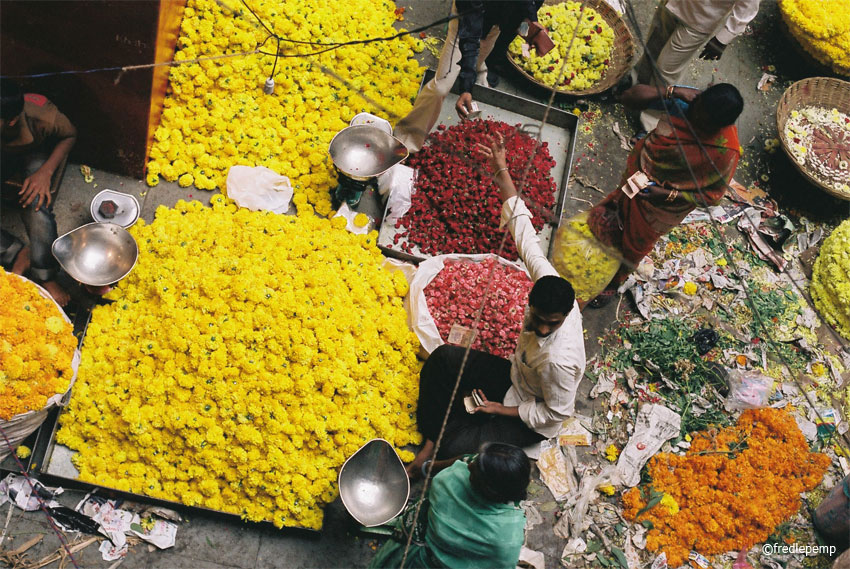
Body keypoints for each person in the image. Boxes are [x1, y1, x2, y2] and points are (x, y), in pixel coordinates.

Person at [406, 132, 585, 474]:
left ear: (565, 316)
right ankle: (430, 442)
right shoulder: (547, 281)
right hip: (515, 376)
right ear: (529, 299)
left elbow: (557, 413)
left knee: (463, 445)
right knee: (443, 360)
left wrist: (500, 411)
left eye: (554, 323)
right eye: (540, 318)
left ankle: (432, 460)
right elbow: (525, 236)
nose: (545, 328)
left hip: (529, 414)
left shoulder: (560, 361)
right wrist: (501, 170)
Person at [586, 82, 743, 308]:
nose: (695, 121)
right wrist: (672, 91)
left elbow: (711, 196)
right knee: (616, 212)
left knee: (636, 244)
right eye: (696, 111)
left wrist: (666, 194)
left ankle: (614, 280)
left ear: (719, 127)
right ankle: (602, 242)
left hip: (660, 208)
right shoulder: (685, 101)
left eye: (704, 124)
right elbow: (629, 97)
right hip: (637, 175)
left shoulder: (725, 150)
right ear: (698, 97)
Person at [394, 1, 553, 153]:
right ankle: (406, 140)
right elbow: (469, 38)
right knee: (441, 87)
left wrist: (531, 28)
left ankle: (479, 70)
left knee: (479, 58)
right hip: (465, 24)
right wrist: (466, 89)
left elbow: (528, 5)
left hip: (494, 25)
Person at [369, 443, 529, 569]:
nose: (469, 466)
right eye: (476, 459)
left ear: (488, 489)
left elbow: (464, 460)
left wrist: (427, 467)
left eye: (475, 472)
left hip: (421, 556)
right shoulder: (509, 536)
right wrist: (424, 467)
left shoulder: (447, 485)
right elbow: (466, 458)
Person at [1, 78, 76, 306]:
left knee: (36, 203)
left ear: (12, 120)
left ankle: (45, 274)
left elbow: (70, 135)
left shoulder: (43, 116)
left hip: (33, 153)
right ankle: (14, 251)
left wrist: (45, 172)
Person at [636, 0, 759, 132]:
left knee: (666, 69)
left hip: (699, 18)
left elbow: (748, 6)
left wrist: (723, 38)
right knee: (653, 47)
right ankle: (636, 86)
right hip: (673, 4)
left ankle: (650, 123)